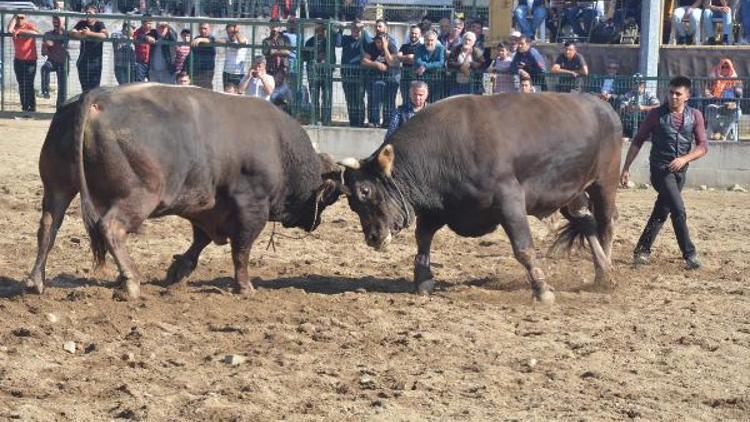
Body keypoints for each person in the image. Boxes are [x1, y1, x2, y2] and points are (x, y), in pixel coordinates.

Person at [620, 76, 707, 270]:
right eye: (671, 93)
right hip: (660, 170)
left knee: (662, 211)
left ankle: (642, 250)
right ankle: (690, 254)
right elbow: (638, 140)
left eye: (678, 94)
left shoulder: (696, 116)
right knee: (678, 210)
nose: (673, 97)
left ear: (687, 96)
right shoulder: (655, 115)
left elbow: (703, 147)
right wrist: (626, 168)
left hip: (680, 172)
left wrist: (684, 159)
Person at [336, 19, 371, 127]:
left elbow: (370, 44)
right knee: (350, 99)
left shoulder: (363, 40)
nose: (356, 31)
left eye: (358, 29)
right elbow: (337, 43)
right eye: (354, 29)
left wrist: (363, 29)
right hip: (347, 73)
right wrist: (341, 29)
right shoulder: (346, 39)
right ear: (351, 29)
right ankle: (353, 122)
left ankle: (360, 122)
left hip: (360, 74)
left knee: (359, 98)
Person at [362, 33, 400, 128]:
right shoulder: (371, 46)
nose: (378, 44)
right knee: (375, 99)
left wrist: (385, 47)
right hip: (377, 77)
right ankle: (375, 121)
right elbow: (364, 61)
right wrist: (376, 64)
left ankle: (388, 122)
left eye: (380, 42)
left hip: (391, 77)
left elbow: (391, 62)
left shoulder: (391, 46)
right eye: (377, 42)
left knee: (389, 101)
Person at [70, 4, 108, 92]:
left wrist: (89, 34)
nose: (88, 15)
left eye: (90, 13)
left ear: (95, 15)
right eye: (86, 13)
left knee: (94, 88)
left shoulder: (99, 24)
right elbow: (71, 32)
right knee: (85, 87)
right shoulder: (82, 23)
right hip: (83, 60)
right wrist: (79, 34)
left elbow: (104, 35)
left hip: (95, 61)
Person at [304, 22, 335, 125]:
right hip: (313, 72)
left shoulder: (329, 41)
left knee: (326, 96)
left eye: (321, 30)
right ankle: (314, 118)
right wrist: (314, 60)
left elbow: (332, 56)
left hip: (326, 72)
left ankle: (326, 119)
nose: (319, 32)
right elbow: (305, 56)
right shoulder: (310, 41)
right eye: (317, 30)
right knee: (314, 95)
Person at [8, 14, 40, 113]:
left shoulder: (29, 25)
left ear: (25, 18)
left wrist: (21, 31)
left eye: (22, 18)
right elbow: (9, 30)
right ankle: (25, 107)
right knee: (21, 84)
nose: (20, 20)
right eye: (18, 18)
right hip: (18, 60)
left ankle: (32, 107)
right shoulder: (14, 28)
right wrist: (14, 17)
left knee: (29, 84)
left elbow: (37, 33)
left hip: (30, 60)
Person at [41, 15, 68, 106]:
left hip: (63, 62)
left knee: (62, 86)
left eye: (58, 21)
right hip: (52, 61)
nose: (56, 23)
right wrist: (46, 45)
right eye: (54, 22)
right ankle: (45, 91)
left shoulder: (67, 34)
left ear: (64, 22)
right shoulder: (48, 34)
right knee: (44, 68)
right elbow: (43, 53)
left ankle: (60, 107)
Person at [446, 31, 484, 96]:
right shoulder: (456, 49)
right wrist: (461, 66)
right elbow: (450, 63)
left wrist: (469, 64)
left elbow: (481, 64)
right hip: (456, 83)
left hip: (472, 84)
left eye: (469, 40)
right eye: (465, 39)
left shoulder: (477, 52)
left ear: (473, 42)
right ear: (462, 40)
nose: (467, 42)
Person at [413, 29, 446, 102]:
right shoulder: (419, 48)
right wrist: (430, 65)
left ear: (436, 40)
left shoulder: (441, 48)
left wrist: (425, 66)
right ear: (424, 40)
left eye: (432, 40)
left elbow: (440, 63)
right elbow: (417, 61)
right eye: (427, 40)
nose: (429, 42)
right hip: (422, 80)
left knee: (435, 102)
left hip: (437, 80)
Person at [217, 23, 248, 92]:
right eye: (229, 33)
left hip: (239, 73)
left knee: (239, 94)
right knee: (227, 95)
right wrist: (229, 43)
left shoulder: (243, 38)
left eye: (233, 32)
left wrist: (236, 33)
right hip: (227, 72)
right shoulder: (226, 39)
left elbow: (242, 43)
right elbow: (216, 40)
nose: (231, 34)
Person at [398, 25, 423, 104]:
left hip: (416, 79)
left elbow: (414, 60)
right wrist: (408, 57)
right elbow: (398, 57)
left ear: (420, 34)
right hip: (404, 78)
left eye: (416, 33)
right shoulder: (404, 46)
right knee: (405, 101)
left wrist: (405, 58)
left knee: (416, 102)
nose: (413, 35)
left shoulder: (422, 47)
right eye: (412, 33)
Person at [189, 23, 217, 89]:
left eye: (205, 28)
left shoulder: (212, 38)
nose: (203, 30)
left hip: (207, 70)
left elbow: (212, 41)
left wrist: (201, 39)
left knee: (206, 90)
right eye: (201, 28)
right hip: (195, 70)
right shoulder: (196, 38)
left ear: (210, 29)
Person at [133, 17, 156, 82]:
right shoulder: (138, 32)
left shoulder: (154, 32)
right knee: (139, 82)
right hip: (140, 62)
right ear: (143, 23)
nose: (150, 25)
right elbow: (136, 37)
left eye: (151, 23)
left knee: (152, 82)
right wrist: (146, 38)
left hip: (151, 62)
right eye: (148, 23)